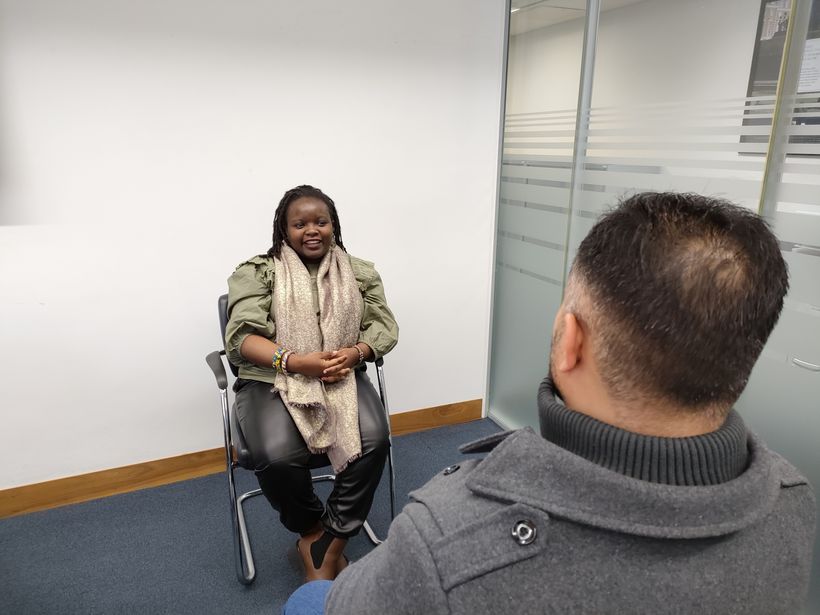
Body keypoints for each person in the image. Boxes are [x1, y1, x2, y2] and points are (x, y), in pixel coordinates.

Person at [284, 192, 816, 614]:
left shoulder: (447, 535)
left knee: (308, 600)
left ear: (569, 341)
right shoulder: (792, 497)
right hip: (287, 384)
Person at [225, 184, 398, 582]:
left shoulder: (358, 272)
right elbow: (241, 338)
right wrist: (296, 362)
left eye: (321, 221)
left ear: (334, 225)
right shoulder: (258, 272)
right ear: (283, 230)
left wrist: (356, 353)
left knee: (375, 442)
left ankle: (327, 543)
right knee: (278, 456)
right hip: (272, 377)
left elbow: (384, 326)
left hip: (340, 375)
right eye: (299, 223)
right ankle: (311, 530)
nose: (312, 230)